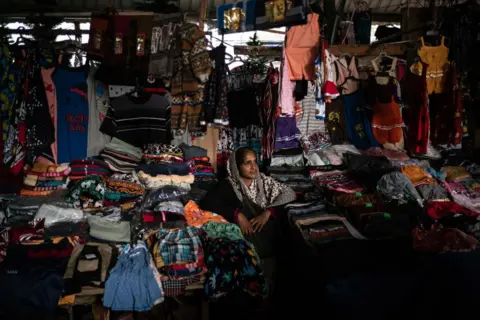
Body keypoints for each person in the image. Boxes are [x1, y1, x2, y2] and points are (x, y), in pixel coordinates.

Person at [200, 147, 296, 297]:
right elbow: (208, 203)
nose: (253, 167)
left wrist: (267, 213)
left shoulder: (264, 181)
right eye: (247, 163)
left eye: (255, 162)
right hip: (248, 243)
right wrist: (237, 215)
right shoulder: (229, 185)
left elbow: (289, 193)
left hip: (267, 242)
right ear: (236, 167)